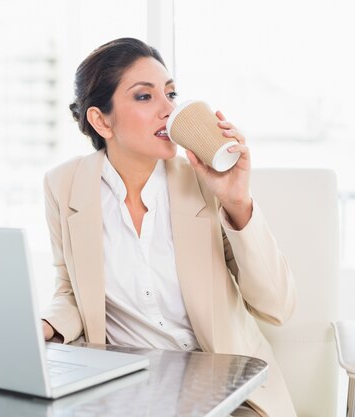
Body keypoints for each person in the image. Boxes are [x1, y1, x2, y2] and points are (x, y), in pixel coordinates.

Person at [40, 37, 297, 417]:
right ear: (100, 120)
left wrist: (236, 202)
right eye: (145, 97)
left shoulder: (204, 181)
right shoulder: (64, 185)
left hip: (225, 392)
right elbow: (72, 290)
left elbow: (277, 306)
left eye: (171, 93)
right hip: (126, 390)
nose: (168, 109)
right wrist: (42, 327)